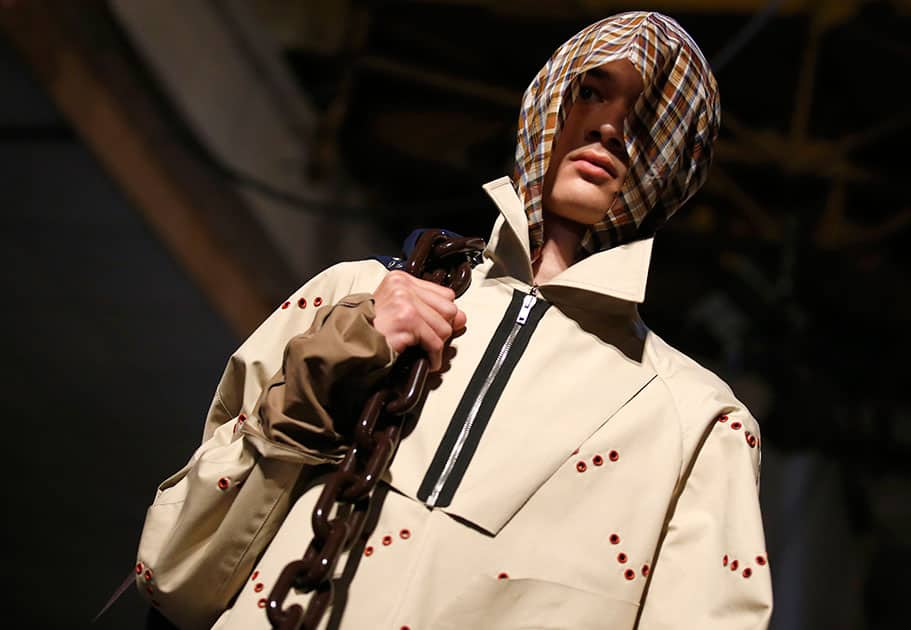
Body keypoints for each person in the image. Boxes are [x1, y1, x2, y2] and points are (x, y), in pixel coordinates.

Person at [135, 11, 772, 629]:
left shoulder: (697, 425)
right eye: (590, 92)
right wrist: (316, 384)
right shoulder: (357, 293)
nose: (609, 128)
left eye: (651, 114)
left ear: (681, 159)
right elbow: (174, 573)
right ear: (547, 102)